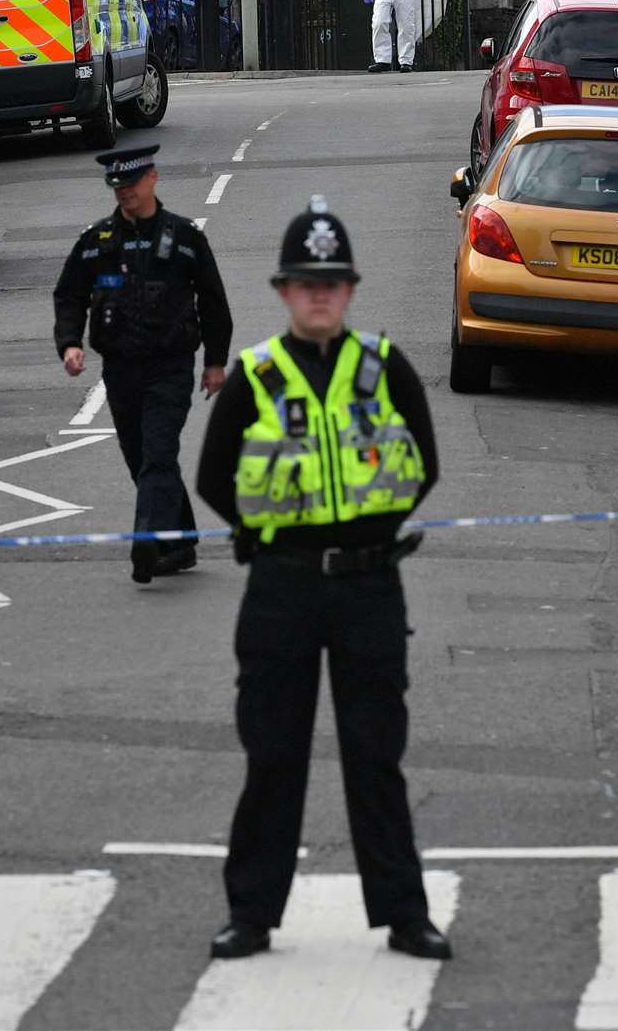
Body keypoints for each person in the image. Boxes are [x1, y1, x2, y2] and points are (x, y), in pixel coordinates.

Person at [196, 196, 451, 963]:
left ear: (349, 289)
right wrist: (265, 534)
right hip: (281, 589)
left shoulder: (383, 365)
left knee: (376, 755)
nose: (318, 293)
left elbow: (426, 463)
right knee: (273, 755)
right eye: (305, 281)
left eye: (331, 281)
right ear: (282, 290)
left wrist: (369, 529)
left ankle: (405, 914)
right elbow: (211, 475)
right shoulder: (255, 376)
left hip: (371, 589)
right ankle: (251, 914)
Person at [54, 145, 232, 584]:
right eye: (116, 188)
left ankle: (147, 541)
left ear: (152, 179)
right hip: (120, 370)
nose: (123, 195)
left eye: (130, 185)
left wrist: (215, 363)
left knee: (158, 453)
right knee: (141, 458)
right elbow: (69, 294)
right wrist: (70, 344)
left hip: (170, 367)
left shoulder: (184, 238)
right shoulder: (97, 242)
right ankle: (182, 540)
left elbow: (213, 302)